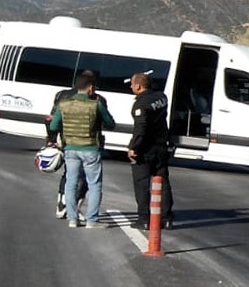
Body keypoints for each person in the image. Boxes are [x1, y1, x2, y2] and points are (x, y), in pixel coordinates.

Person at [47, 70, 115, 228]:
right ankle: (92, 220)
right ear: (90, 88)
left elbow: (53, 126)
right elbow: (110, 124)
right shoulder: (96, 104)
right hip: (91, 149)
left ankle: (72, 218)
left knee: (70, 183)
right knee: (94, 185)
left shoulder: (63, 104)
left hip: (70, 148)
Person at [128, 72, 174, 230]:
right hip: (161, 146)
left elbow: (141, 128)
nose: (131, 86)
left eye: (132, 84)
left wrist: (133, 147)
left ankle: (144, 218)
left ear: (138, 86)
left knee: (142, 184)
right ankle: (166, 218)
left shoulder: (141, 104)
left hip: (146, 149)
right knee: (163, 181)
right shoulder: (161, 97)